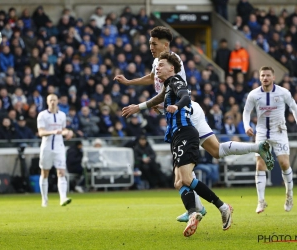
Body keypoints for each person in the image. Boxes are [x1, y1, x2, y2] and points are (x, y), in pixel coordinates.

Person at [114, 25, 274, 223]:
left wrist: (144, 106)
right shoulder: (159, 63)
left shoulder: (173, 61)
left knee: (183, 173)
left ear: (166, 45)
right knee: (213, 152)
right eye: (149, 43)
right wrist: (130, 83)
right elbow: (153, 79)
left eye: (154, 43)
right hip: (185, 114)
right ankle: (257, 148)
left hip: (185, 115)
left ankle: (201, 207)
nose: (150, 47)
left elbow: (173, 92)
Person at [122, 52, 233, 237]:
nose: (157, 67)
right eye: (157, 65)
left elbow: (185, 97)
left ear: (171, 68)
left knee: (186, 178)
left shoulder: (176, 81)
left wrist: (177, 106)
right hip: (176, 136)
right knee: (178, 181)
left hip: (185, 133)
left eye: (161, 65)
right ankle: (193, 214)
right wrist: (138, 107)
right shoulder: (167, 87)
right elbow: (157, 100)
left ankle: (222, 207)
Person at [243, 66, 296, 213]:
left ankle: (289, 195)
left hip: (279, 131)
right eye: (262, 75)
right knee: (260, 165)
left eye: (268, 75)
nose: (265, 78)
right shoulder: (253, 94)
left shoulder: (283, 92)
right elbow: (246, 111)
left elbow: (293, 106)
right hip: (261, 133)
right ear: (259, 78)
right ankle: (261, 201)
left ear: (273, 77)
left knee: (284, 163)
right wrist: (246, 126)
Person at [37, 94, 73, 207]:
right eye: (50, 100)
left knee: (61, 172)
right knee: (45, 173)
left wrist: (68, 132)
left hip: (59, 147)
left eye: (54, 100)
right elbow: (41, 132)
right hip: (46, 147)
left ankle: (63, 198)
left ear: (58, 101)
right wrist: (52, 132)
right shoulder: (42, 115)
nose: (53, 102)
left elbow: (63, 129)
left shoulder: (62, 115)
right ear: (47, 102)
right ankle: (44, 200)